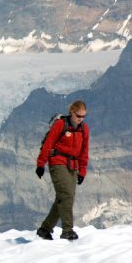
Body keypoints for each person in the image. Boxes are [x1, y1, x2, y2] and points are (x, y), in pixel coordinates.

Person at [35, 100, 89, 241]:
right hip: (57, 162)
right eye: (78, 116)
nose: (81, 119)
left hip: (73, 165)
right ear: (72, 112)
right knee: (67, 196)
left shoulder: (84, 129)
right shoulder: (60, 125)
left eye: (83, 116)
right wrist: (41, 163)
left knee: (62, 197)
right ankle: (67, 230)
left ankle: (45, 229)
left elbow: (84, 151)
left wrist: (82, 171)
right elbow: (48, 143)